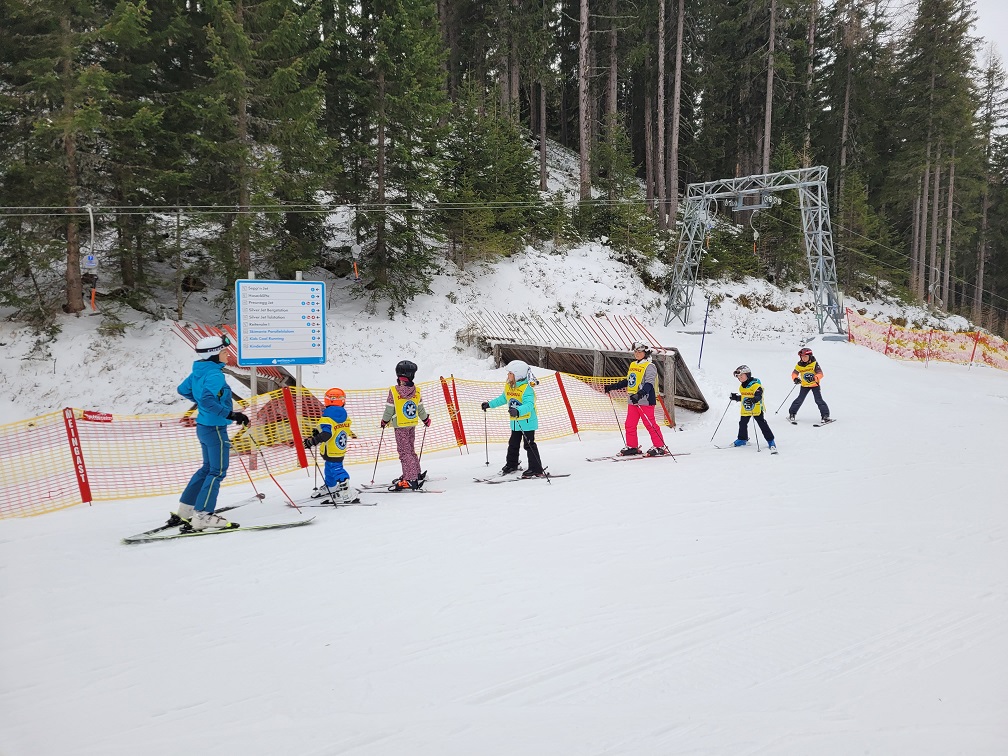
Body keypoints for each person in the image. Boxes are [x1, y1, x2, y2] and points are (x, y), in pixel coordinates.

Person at [177, 334, 250, 530]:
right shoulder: (215, 375)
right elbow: (208, 400)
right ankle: (203, 516)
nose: (228, 355)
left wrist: (204, 404)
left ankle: (186, 509)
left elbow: (183, 390)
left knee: (207, 468)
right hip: (216, 428)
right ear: (214, 354)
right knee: (217, 471)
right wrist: (230, 414)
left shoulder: (200, 370)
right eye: (224, 352)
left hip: (203, 426)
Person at [481, 360, 546, 478]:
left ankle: (536, 469)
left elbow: (529, 405)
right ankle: (512, 464)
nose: (508, 375)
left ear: (518, 374)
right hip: (515, 422)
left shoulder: (526, 388)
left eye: (510, 373)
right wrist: (489, 404)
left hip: (527, 422)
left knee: (529, 445)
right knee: (513, 444)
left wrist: (518, 411)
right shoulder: (509, 386)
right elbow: (503, 399)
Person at [603, 340, 668, 457]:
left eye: (639, 352)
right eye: (635, 351)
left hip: (645, 400)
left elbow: (649, 384)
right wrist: (613, 387)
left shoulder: (650, 366)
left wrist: (640, 394)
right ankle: (632, 446)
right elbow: (629, 380)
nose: (636, 354)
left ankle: (660, 446)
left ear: (646, 352)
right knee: (630, 424)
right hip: (633, 399)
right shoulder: (633, 365)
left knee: (650, 424)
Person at [381, 360, 431, 490]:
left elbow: (389, 410)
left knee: (404, 452)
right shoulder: (416, 391)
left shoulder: (394, 391)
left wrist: (384, 421)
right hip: (411, 425)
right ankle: (416, 473)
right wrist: (426, 420)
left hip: (400, 427)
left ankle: (410, 479)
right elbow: (420, 409)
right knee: (410, 450)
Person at [303, 387, 356, 503]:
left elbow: (327, 434)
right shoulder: (344, 416)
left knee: (336, 469)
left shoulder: (327, 418)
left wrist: (313, 441)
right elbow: (336, 429)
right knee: (329, 469)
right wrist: (319, 431)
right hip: (339, 448)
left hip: (331, 449)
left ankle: (346, 491)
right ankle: (330, 486)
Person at [729, 364, 777, 453]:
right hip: (746, 409)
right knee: (742, 423)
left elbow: (759, 395)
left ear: (747, 375)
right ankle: (742, 439)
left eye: (741, 375)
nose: (739, 377)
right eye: (738, 376)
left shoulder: (755, 385)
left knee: (762, 424)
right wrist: (736, 398)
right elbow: (745, 397)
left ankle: (770, 441)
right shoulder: (742, 386)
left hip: (756, 409)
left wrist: (753, 399)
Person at [787, 347, 831, 424]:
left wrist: (815, 378)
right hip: (804, 386)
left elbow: (820, 374)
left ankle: (825, 416)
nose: (804, 358)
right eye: (802, 357)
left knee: (818, 400)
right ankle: (792, 414)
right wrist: (795, 379)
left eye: (806, 357)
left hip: (815, 385)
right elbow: (794, 373)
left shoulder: (814, 364)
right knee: (799, 399)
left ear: (810, 356)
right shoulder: (799, 365)